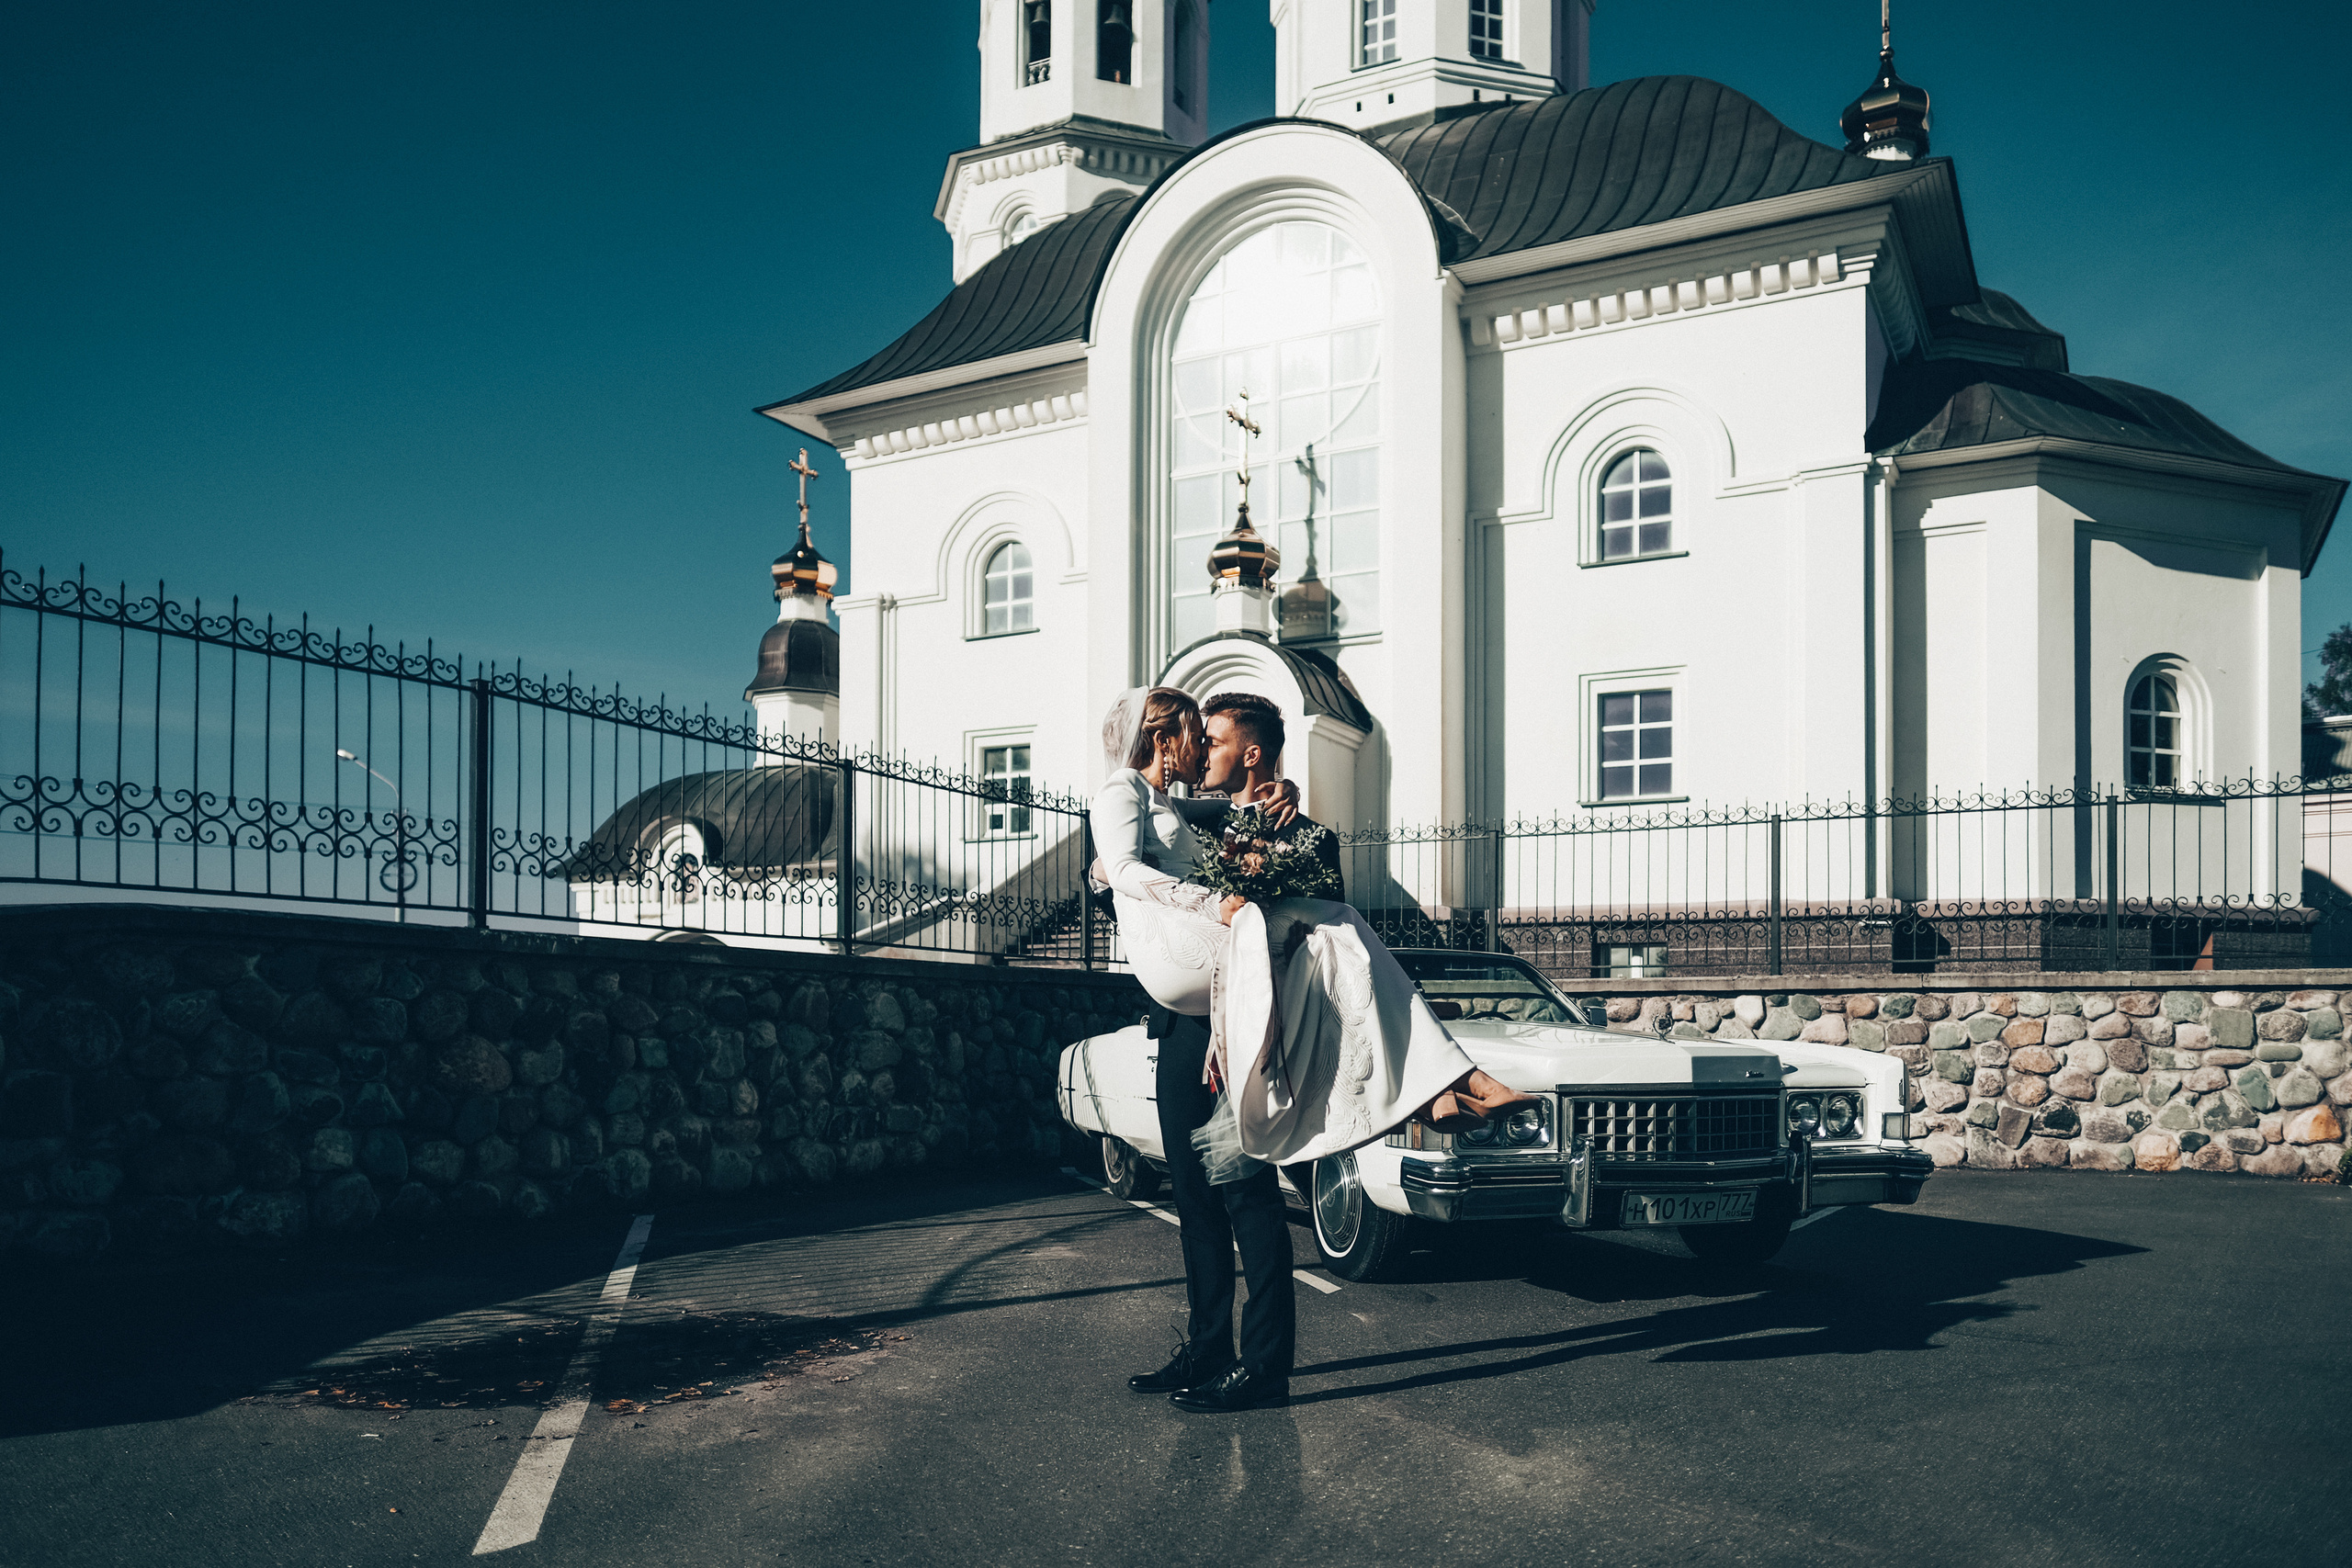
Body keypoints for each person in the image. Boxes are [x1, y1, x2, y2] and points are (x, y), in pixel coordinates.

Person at [1090, 686, 1534, 1414]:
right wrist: (1104, 871)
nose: (1202, 747)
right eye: (1195, 735)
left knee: (1247, 1196)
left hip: (1240, 1029)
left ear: (1252, 752)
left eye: (1215, 737)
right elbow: (1125, 856)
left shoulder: (1295, 830)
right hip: (1179, 1030)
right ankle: (1207, 1348)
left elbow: (1313, 906)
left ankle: (1263, 1364)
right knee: (1194, 1200)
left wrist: (1283, 809)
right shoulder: (1178, 809)